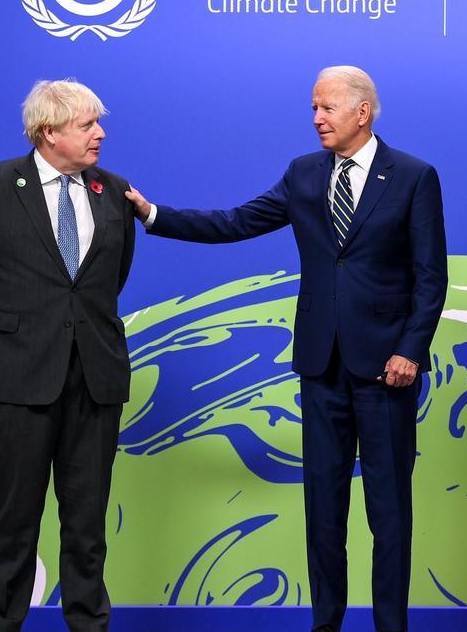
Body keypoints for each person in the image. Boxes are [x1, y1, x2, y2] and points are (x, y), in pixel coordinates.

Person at [125, 65, 447, 632]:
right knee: (323, 509)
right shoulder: (303, 174)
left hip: (386, 372)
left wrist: (410, 350)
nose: (316, 118)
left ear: (362, 112)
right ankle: (326, 623)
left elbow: (430, 277)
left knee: (389, 512)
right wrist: (154, 215)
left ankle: (391, 626)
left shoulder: (414, 177)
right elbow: (238, 221)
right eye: (314, 108)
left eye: (327, 107)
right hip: (321, 369)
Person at [0, 79, 136, 632]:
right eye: (87, 125)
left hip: (95, 380)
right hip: (19, 379)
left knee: (87, 526)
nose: (100, 134)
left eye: (99, 123)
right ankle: (2, 622)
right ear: (49, 133)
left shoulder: (114, 192)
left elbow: (107, 282)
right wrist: (17, 326)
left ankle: (88, 624)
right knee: (15, 522)